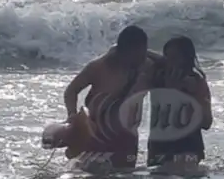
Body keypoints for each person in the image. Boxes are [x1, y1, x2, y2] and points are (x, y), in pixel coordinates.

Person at [63, 25, 159, 168]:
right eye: (137, 54)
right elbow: (71, 91)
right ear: (123, 51)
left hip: (127, 138)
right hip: (96, 134)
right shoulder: (99, 67)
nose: (141, 58)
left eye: (143, 52)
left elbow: (170, 63)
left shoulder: (148, 67)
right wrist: (72, 115)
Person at [146, 36, 212, 167]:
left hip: (188, 146)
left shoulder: (195, 82)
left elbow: (206, 123)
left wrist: (193, 98)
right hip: (159, 146)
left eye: (175, 58)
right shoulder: (157, 76)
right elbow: (140, 54)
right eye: (167, 57)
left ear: (186, 60)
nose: (170, 63)